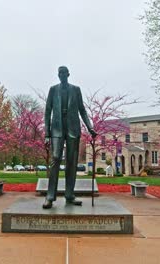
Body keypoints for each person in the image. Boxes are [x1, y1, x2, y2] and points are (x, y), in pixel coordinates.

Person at [43, 66, 96, 209]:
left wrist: (90, 127)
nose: (62, 75)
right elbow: (48, 111)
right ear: (58, 75)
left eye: (64, 73)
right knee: (55, 159)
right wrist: (47, 133)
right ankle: (50, 196)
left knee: (72, 163)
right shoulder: (53, 90)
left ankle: (69, 195)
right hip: (57, 129)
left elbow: (82, 110)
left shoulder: (76, 90)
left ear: (68, 74)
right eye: (59, 73)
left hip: (73, 128)